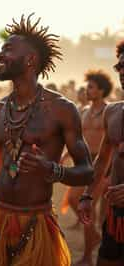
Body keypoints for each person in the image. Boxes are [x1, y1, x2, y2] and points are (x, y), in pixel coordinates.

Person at [0, 14, 93, 266]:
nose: (0, 56)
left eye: (8, 50)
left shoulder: (61, 109)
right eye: (1, 49)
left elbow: (87, 171)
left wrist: (53, 170)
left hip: (36, 223)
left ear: (30, 60)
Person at [78, 41, 124, 266]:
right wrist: (87, 195)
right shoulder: (113, 112)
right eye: (120, 66)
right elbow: (103, 159)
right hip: (117, 216)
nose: (123, 71)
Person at [71, 70, 113, 266]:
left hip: (103, 166)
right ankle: (95, 236)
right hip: (85, 163)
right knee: (73, 199)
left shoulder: (109, 111)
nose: (87, 90)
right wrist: (65, 154)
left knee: (91, 210)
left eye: (91, 87)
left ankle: (88, 256)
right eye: (87, 87)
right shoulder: (84, 111)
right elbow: (79, 138)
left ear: (101, 90)